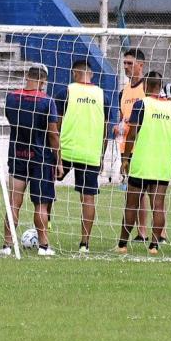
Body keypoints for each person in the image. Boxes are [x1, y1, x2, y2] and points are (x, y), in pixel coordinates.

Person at [0, 64, 60, 257]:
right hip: (41, 158)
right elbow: (53, 134)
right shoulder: (47, 101)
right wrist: (58, 160)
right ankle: (43, 246)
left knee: (13, 202)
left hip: (17, 154)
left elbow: (11, 120)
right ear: (43, 81)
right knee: (41, 204)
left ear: (28, 76)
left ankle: (7, 246)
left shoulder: (11, 97)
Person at [118, 72, 171, 255]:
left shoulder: (141, 104)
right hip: (162, 164)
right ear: (160, 86)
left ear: (145, 86)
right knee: (158, 206)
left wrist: (125, 158)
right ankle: (154, 246)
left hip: (142, 163)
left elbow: (132, 133)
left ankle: (122, 244)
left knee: (131, 204)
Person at [55, 60, 109, 253]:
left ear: (73, 73)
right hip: (90, 153)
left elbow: (56, 126)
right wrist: (101, 156)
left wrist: (56, 154)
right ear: (91, 74)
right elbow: (105, 130)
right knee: (88, 198)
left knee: (45, 184)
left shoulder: (66, 93)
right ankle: (84, 243)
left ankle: (45, 226)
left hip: (66, 151)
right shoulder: (103, 96)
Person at [117, 48, 148, 241]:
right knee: (133, 191)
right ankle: (141, 231)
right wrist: (118, 126)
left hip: (144, 146)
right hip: (126, 148)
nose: (126, 67)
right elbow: (122, 118)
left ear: (140, 65)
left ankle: (150, 232)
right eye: (125, 63)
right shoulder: (124, 90)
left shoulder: (148, 88)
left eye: (130, 63)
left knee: (148, 190)